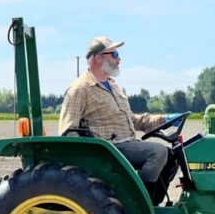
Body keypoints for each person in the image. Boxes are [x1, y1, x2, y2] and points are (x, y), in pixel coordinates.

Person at [58, 36, 177, 204]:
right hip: (109, 150)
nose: (119, 59)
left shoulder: (114, 86)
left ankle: (154, 207)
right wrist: (93, 159)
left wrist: (165, 118)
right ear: (98, 57)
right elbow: (67, 132)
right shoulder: (79, 89)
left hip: (128, 143)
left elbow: (133, 119)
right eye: (114, 54)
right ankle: (139, 206)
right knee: (157, 153)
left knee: (174, 156)